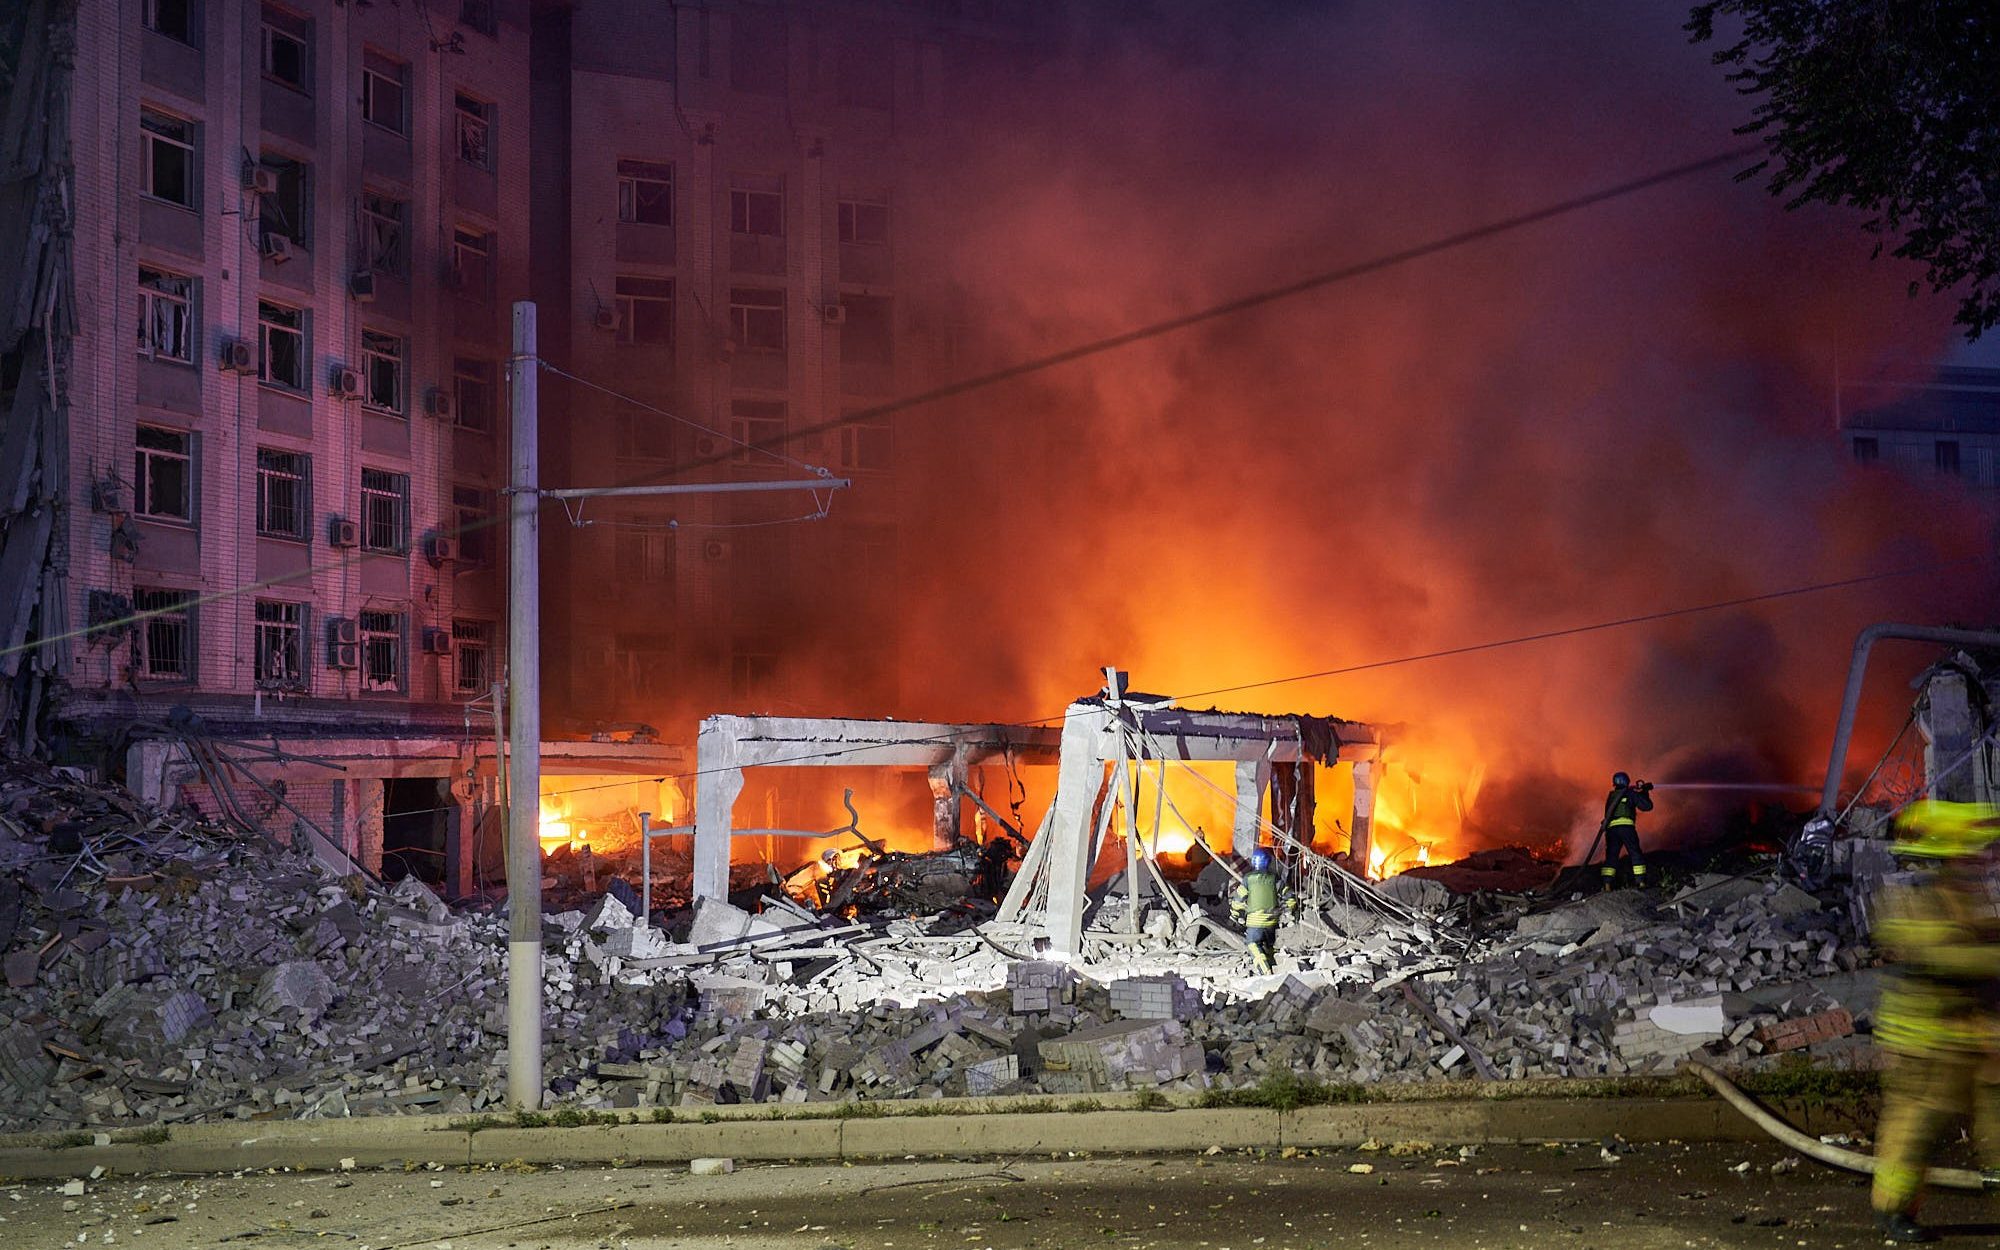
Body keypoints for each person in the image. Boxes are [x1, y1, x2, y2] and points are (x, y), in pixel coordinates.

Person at [1869, 800, 2000, 1243]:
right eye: (1973, 854)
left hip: (1969, 1036)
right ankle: (1893, 1209)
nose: (1982, 861)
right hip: (1924, 1041)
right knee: (1916, 1127)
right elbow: (1942, 955)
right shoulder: (1913, 898)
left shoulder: (1962, 894)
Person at [1229, 848, 1294, 974]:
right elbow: (1289, 895)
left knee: (1252, 944)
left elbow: (1238, 900)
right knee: (1268, 946)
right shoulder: (1274, 878)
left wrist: (1234, 915)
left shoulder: (1248, 879)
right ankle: (1275, 968)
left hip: (1255, 921)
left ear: (1254, 862)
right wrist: (1290, 909)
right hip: (1272, 921)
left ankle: (1266, 971)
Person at [1599, 771, 1654, 888]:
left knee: (1611, 856)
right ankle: (1641, 882)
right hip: (1627, 828)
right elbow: (1647, 806)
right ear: (1626, 782)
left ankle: (1607, 885)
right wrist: (1645, 792)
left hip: (1612, 830)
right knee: (1635, 853)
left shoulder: (1611, 796)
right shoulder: (1630, 793)